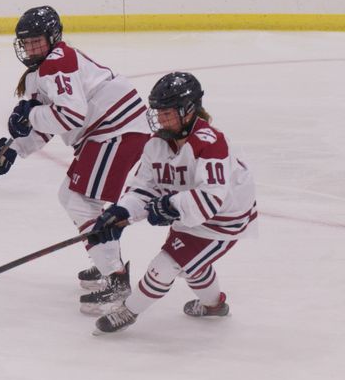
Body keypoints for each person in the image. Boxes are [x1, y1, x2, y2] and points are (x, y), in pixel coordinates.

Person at [0, 6, 151, 315]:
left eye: (37, 41)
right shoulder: (43, 71)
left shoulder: (57, 62)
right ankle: (106, 259)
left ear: (53, 37)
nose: (31, 48)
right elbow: (50, 123)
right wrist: (12, 150)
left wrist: (30, 114)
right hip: (111, 132)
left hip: (116, 131)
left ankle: (115, 277)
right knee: (76, 199)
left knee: (78, 200)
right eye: (26, 43)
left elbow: (71, 115)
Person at [87, 72, 257, 334]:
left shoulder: (210, 143)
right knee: (191, 265)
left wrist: (169, 206)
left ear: (188, 111)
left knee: (166, 264)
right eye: (158, 112)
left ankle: (128, 311)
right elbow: (144, 188)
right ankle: (214, 306)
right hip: (192, 212)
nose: (161, 119)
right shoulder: (156, 144)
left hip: (224, 219)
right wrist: (121, 213)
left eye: (167, 113)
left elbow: (210, 198)